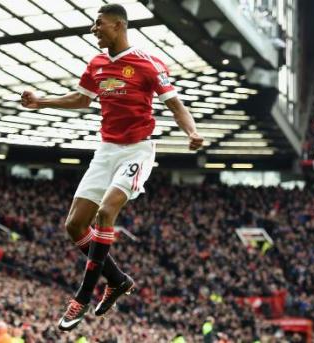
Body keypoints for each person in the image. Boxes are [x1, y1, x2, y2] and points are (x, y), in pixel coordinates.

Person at [20, 3, 204, 331]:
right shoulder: (97, 64)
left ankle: (83, 296)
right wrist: (42, 102)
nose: (94, 30)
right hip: (105, 151)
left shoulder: (148, 63)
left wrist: (192, 132)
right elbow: (80, 99)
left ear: (118, 25)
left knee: (106, 213)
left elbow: (176, 106)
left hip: (137, 151)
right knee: (74, 225)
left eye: (99, 24)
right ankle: (117, 280)